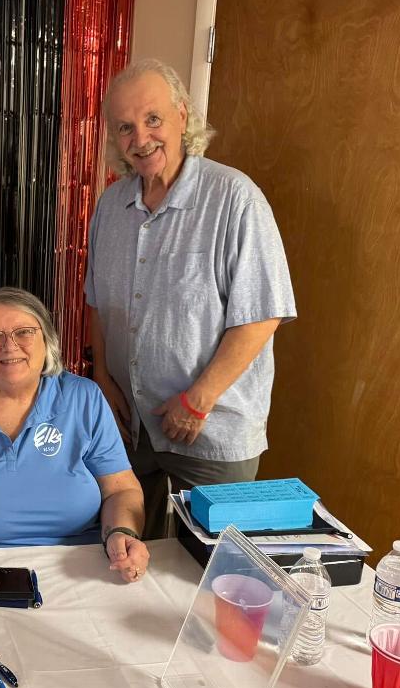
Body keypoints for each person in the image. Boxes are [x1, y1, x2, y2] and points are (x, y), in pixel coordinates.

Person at [85, 58, 297, 539]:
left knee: (212, 571)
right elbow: (97, 300)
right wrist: (101, 376)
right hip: (130, 429)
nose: (140, 139)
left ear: (183, 116)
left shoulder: (234, 198)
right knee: (129, 557)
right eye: (124, 127)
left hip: (211, 432)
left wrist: (197, 400)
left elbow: (262, 314)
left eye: (153, 119)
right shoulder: (110, 207)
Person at [0, 287, 150, 583]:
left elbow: (120, 490)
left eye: (24, 332)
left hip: (78, 571)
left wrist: (121, 532)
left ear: (47, 340)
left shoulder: (84, 399)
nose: (9, 346)